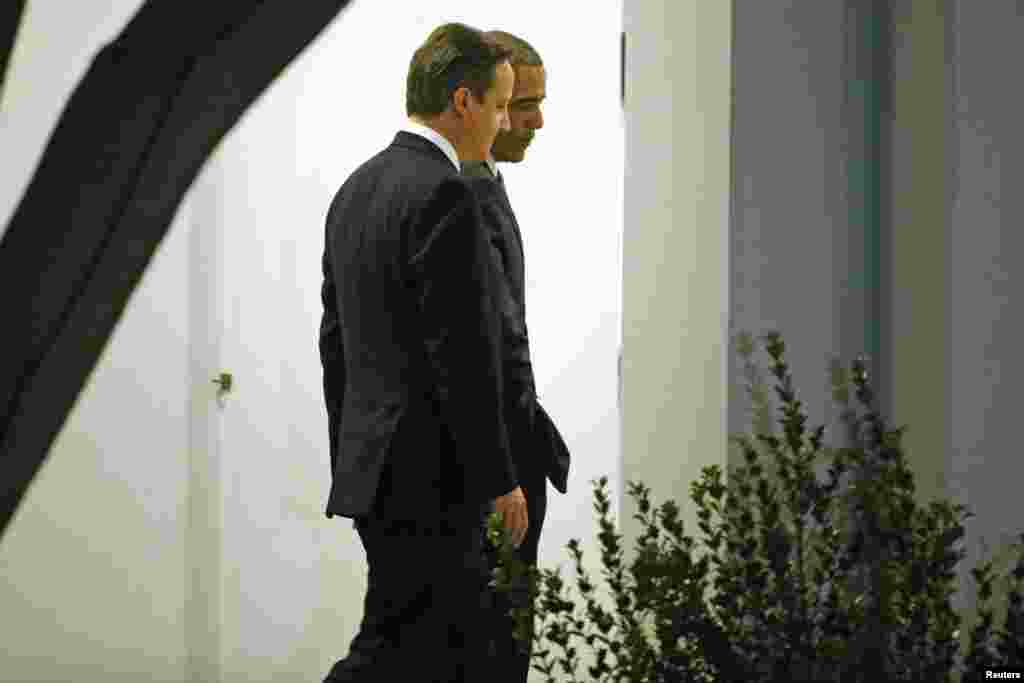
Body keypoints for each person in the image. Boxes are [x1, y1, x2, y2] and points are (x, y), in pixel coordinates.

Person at [318, 23, 527, 682]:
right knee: (393, 651)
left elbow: (335, 347)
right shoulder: (446, 193)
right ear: (463, 101)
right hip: (433, 482)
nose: (502, 123)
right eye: (499, 105)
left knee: (434, 652)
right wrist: (498, 478)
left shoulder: (354, 191)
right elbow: (462, 357)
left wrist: (354, 456)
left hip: (377, 476)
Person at [461, 31, 570, 683]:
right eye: (520, 105)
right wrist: (506, 472)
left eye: (535, 103)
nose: (535, 121)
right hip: (491, 473)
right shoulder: (462, 197)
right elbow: (491, 346)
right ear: (476, 105)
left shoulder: (482, 187)